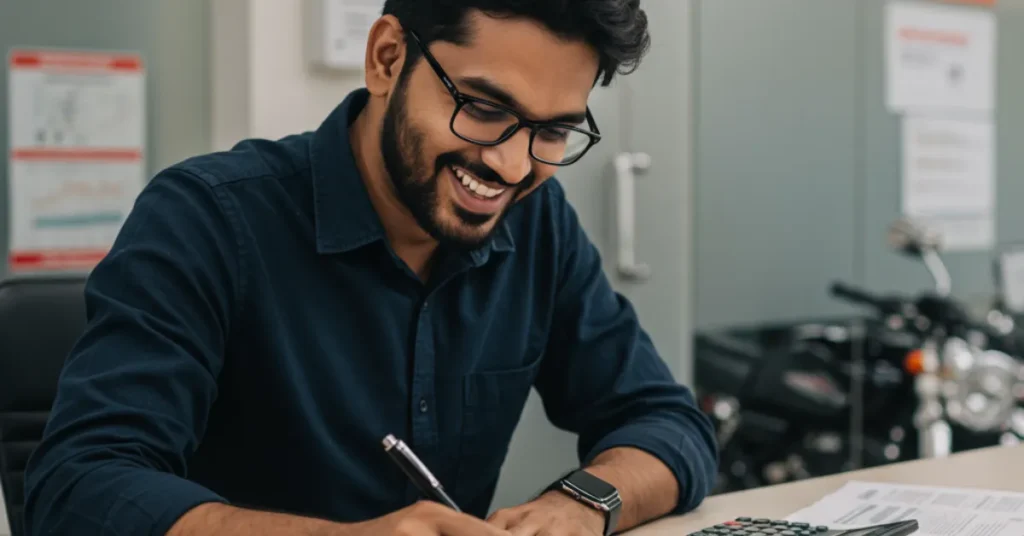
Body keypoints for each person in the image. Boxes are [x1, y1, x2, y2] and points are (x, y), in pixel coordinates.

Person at [23, 1, 718, 535]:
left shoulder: (538, 222)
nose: (511, 165)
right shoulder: (207, 218)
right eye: (483, 107)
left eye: (554, 130)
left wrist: (579, 504)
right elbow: (79, 487)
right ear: (387, 58)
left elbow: (666, 422)